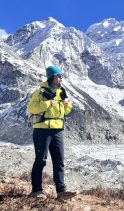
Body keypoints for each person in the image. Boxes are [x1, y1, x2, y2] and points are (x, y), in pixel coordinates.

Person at [27, 66, 77, 200]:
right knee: (41, 160)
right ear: (51, 77)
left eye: (61, 76)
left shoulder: (62, 91)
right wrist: (48, 103)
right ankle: (36, 191)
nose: (61, 78)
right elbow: (32, 107)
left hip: (58, 129)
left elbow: (64, 112)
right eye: (58, 76)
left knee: (59, 161)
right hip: (42, 129)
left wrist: (68, 106)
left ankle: (61, 192)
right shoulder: (40, 91)